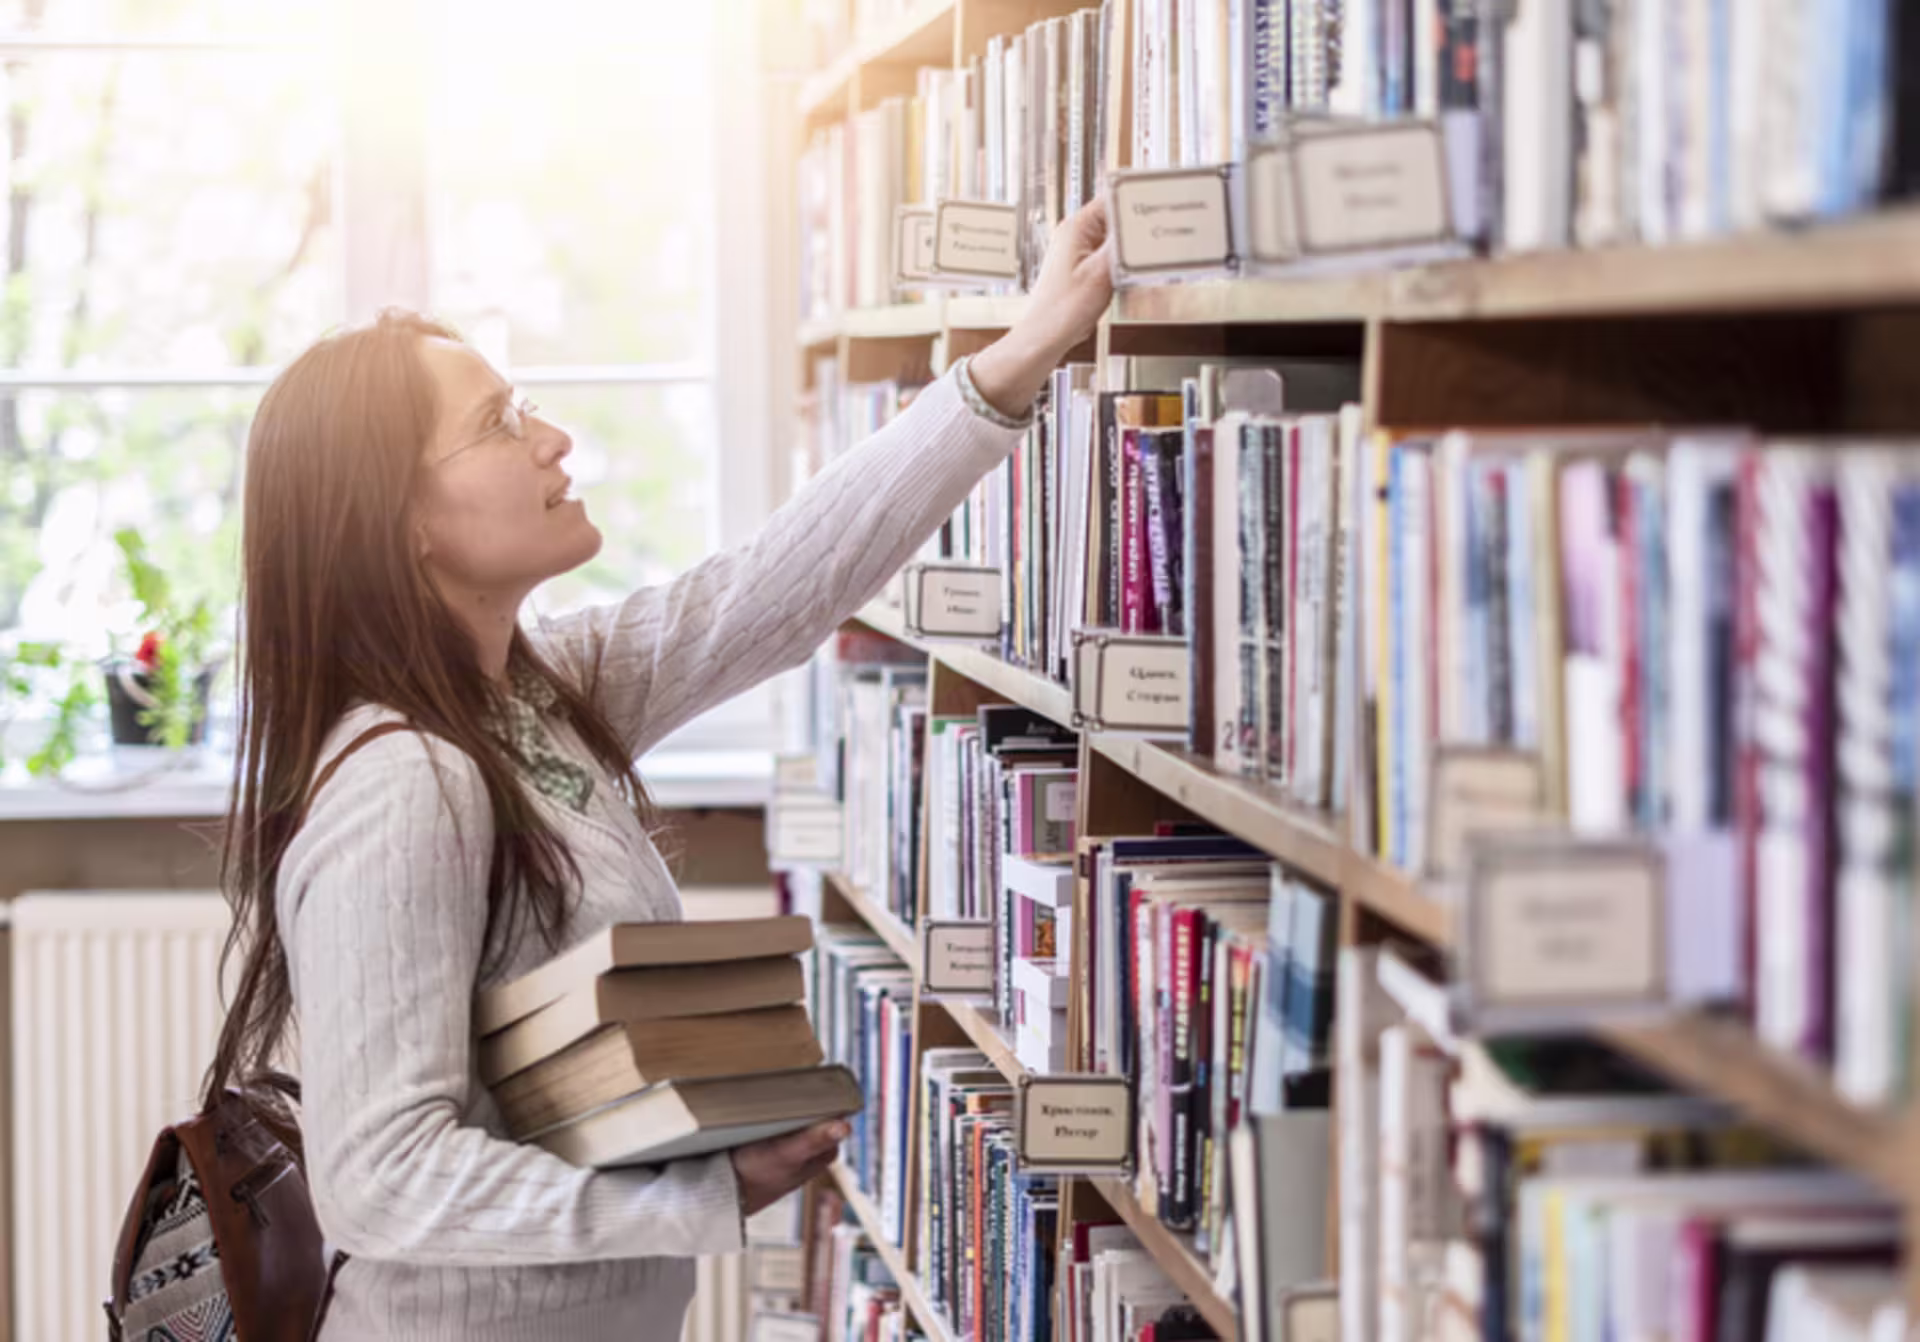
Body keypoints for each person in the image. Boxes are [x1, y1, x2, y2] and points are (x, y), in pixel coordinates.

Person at [200, 198, 1114, 1341]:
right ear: (404, 523)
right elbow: (381, 1176)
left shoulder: (528, 696)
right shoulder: (404, 781)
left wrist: (1021, 355)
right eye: (497, 423)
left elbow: (773, 590)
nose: (552, 440)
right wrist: (696, 1197)